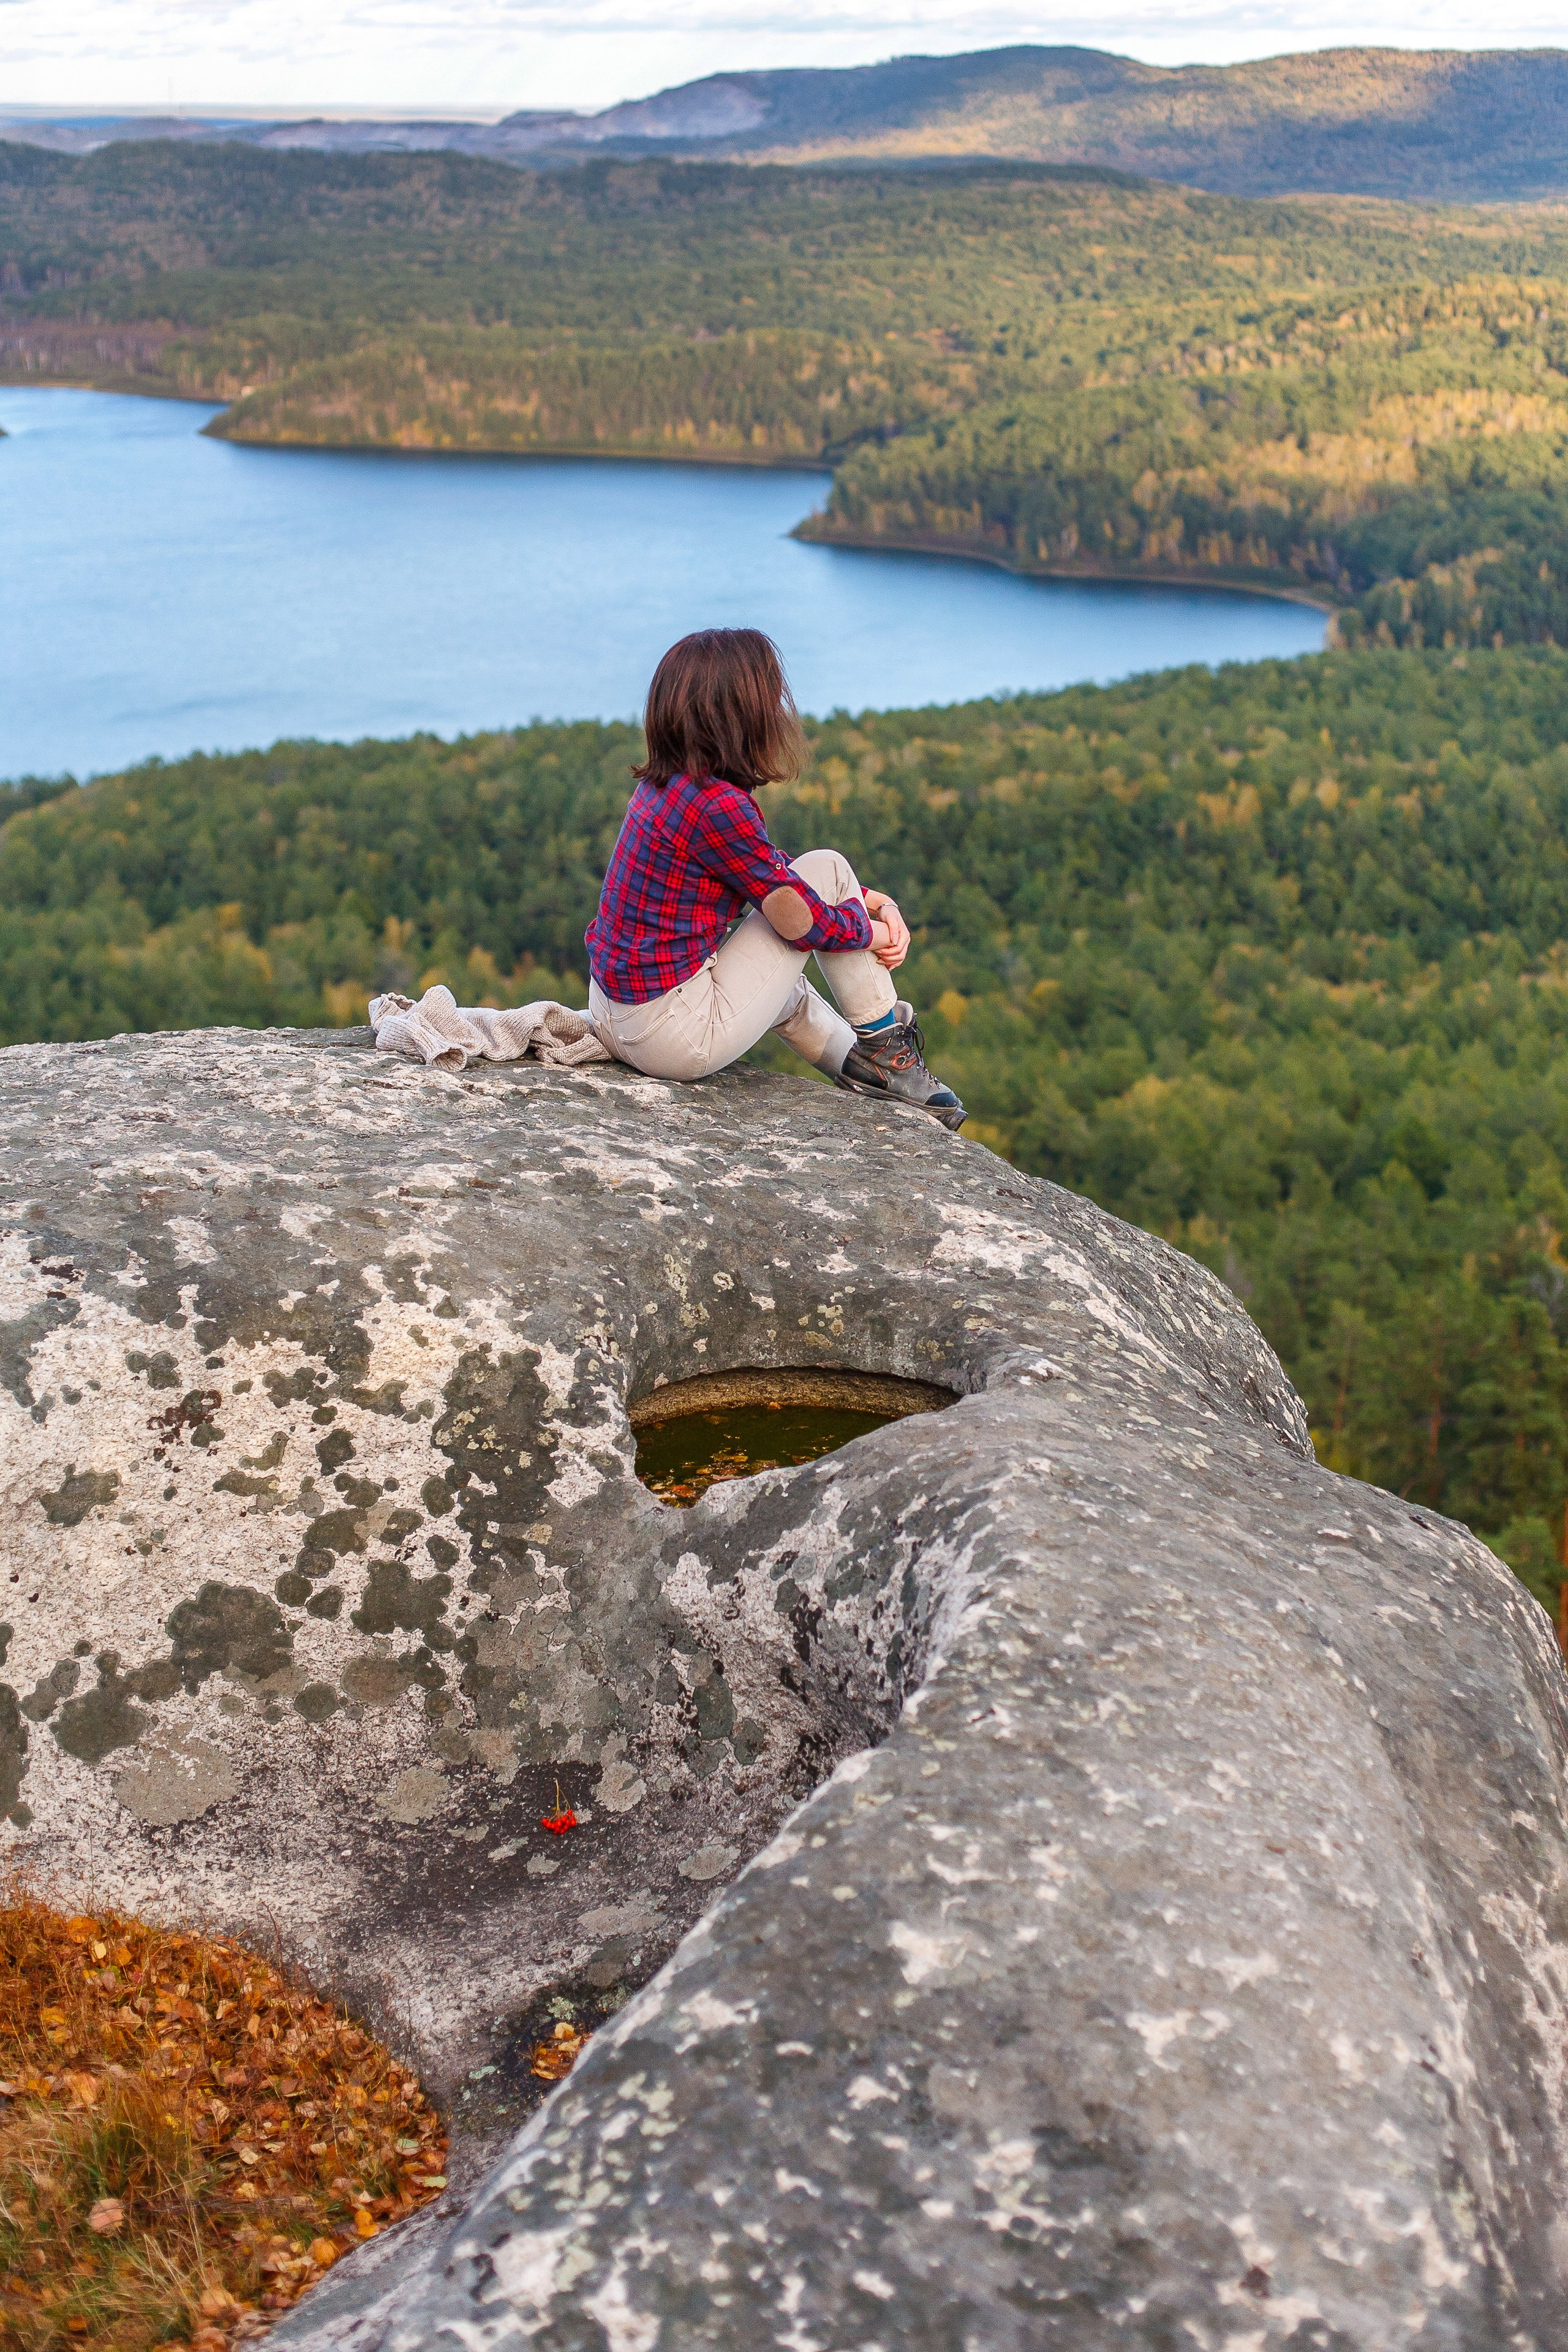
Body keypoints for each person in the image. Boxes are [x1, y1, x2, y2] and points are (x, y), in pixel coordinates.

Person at [586, 628, 965, 1129]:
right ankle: (888, 1055)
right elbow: (799, 921)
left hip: (616, 1011)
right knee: (828, 869)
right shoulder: (719, 804)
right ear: (741, 713)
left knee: (783, 990)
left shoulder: (667, 784)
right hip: (668, 1036)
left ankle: (867, 1067)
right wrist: (875, 931)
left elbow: (761, 869)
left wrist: (870, 898)